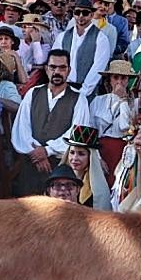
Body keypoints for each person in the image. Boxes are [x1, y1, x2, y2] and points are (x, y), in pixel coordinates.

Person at [11, 48, 91, 196]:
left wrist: (47, 151)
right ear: (46, 69)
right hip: (31, 162)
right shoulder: (33, 93)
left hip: (60, 166)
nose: (57, 72)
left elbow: (77, 133)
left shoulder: (79, 99)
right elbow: (21, 128)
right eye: (53, 67)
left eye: (62, 68)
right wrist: (37, 153)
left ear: (69, 70)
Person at [61, 124, 112, 209]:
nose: (74, 158)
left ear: (90, 157)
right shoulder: (59, 178)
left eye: (81, 154)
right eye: (72, 152)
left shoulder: (97, 189)